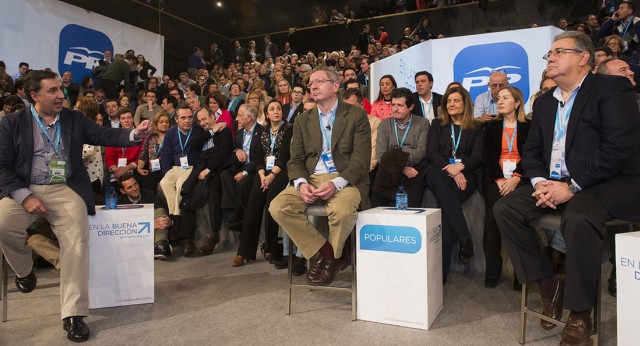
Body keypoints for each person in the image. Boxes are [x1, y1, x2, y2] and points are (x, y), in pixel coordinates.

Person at [494, 31, 640, 345]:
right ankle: (548, 282)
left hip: (607, 183)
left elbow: (617, 150)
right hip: (555, 183)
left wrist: (571, 186)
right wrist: (539, 182)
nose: (550, 58)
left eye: (558, 52)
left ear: (583, 58)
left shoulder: (611, 89)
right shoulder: (545, 102)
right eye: (549, 53)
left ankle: (579, 315)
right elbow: (531, 153)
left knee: (579, 216)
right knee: (505, 209)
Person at [0, 70, 152, 342]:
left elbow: (105, 135)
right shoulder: (12, 123)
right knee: (2, 223)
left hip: (64, 188)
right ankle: (24, 271)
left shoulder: (74, 119)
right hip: (27, 188)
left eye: (61, 89)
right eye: (53, 91)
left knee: (76, 244)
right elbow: (2, 167)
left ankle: (73, 314)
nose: (61, 95)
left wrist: (133, 134)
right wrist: (25, 196)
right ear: (35, 96)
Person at [269, 66, 371, 286]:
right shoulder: (302, 120)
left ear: (336, 86)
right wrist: (301, 182)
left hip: (344, 179)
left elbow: (361, 160)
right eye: (311, 83)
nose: (313, 86)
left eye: (319, 81)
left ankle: (330, 257)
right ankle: (329, 254)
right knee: (277, 207)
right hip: (312, 179)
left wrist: (337, 183)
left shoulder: (356, 115)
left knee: (343, 212)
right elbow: (295, 160)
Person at [426, 86, 483, 284]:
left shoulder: (476, 127)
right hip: (439, 172)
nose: (451, 105)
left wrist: (460, 168)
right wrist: (450, 169)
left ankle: (441, 271)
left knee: (446, 209)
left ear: (465, 104)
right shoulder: (437, 124)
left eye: (456, 101)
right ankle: (464, 237)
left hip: (467, 173)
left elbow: (477, 157)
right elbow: (432, 153)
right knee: (443, 186)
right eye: (449, 101)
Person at [233, 100, 293, 267]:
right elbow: (258, 156)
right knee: (253, 206)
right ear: (266, 114)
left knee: (271, 204)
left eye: (279, 109)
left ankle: (271, 248)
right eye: (272, 109)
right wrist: (261, 174)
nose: (276, 111)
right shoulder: (262, 130)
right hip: (263, 172)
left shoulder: (289, 129)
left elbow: (285, 156)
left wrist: (271, 176)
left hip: (281, 171)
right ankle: (243, 252)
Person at [481, 86, 530, 289]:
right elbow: (487, 156)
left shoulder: (529, 126)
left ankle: (521, 274)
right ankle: (493, 270)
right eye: (498, 98)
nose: (500, 101)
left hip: (520, 180)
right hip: (497, 180)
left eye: (505, 97)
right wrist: (500, 179)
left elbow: (532, 155)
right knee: (491, 216)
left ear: (517, 103)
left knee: (518, 219)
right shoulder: (491, 127)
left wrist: (517, 177)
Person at [181, 107, 233, 255]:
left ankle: (214, 234)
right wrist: (211, 131)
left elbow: (223, 153)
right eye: (200, 121)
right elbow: (194, 143)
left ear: (212, 116)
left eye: (205, 119)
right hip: (199, 168)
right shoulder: (202, 132)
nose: (203, 123)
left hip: (216, 169)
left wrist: (208, 170)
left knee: (213, 191)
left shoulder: (224, 130)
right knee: (186, 192)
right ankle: (188, 239)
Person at [372, 87, 429, 208]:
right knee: (378, 192)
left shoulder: (422, 123)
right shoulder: (385, 124)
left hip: (414, 168)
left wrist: (395, 154)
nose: (395, 109)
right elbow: (381, 155)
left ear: (411, 107)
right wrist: (402, 167)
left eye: (400, 105)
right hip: (389, 169)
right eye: (393, 105)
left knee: (411, 203)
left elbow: (421, 152)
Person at [159, 103, 201, 256]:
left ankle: (176, 220)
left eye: (190, 117)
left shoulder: (198, 130)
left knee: (180, 184)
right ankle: (174, 214)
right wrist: (166, 172)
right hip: (176, 168)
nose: (187, 121)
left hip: (191, 167)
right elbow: (166, 156)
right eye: (183, 118)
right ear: (176, 119)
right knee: (165, 182)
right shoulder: (170, 133)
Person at [219, 104, 264, 233]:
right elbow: (234, 145)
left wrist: (245, 172)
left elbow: (259, 157)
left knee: (243, 183)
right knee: (225, 175)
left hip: (255, 168)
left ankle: (239, 215)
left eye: (239, 115)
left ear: (248, 117)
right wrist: (238, 149)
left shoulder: (261, 132)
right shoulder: (239, 133)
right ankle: (235, 210)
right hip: (241, 165)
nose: (236, 119)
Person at [117, 174, 173, 259]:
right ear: (123, 191)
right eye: (129, 187)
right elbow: (124, 227)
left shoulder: (149, 193)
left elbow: (161, 212)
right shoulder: (120, 203)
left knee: (160, 211)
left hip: (153, 233)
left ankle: (160, 245)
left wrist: (169, 221)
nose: (135, 188)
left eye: (135, 184)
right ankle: (162, 246)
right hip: (134, 236)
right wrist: (149, 225)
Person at [104, 108, 143, 191]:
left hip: (133, 169)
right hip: (116, 170)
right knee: (108, 181)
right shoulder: (113, 135)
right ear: (119, 120)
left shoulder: (140, 135)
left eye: (129, 118)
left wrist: (126, 169)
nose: (126, 121)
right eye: (123, 118)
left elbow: (141, 158)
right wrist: (116, 170)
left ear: (133, 119)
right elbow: (109, 157)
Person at [137, 111, 171, 202]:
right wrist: (139, 167)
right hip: (153, 169)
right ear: (156, 123)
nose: (164, 124)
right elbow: (143, 154)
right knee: (147, 185)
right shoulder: (150, 137)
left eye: (166, 122)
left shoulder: (172, 136)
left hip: (167, 169)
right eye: (161, 122)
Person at [76, 96, 105, 197]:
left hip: (91, 178)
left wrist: (67, 153)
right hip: (82, 176)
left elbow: (89, 150)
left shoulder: (91, 127)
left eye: (76, 108)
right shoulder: (80, 126)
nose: (73, 110)